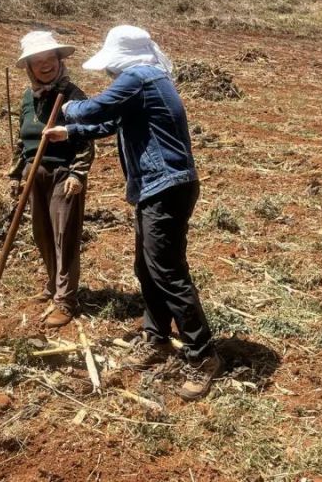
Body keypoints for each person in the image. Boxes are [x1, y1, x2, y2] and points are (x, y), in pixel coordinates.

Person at [42, 25, 222, 401]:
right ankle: (155, 337)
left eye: (111, 67)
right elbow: (108, 122)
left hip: (167, 187)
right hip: (157, 188)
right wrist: (70, 131)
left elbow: (94, 107)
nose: (109, 74)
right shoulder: (145, 82)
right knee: (147, 267)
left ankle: (203, 355)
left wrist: (68, 103)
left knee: (168, 272)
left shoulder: (141, 77)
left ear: (123, 58)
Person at [9, 30, 95, 328]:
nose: (45, 65)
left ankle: (66, 299)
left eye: (50, 59)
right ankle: (52, 283)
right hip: (35, 173)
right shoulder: (27, 98)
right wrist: (16, 173)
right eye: (37, 61)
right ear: (30, 67)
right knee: (42, 234)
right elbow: (22, 140)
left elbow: (86, 139)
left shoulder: (73, 96)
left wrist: (78, 172)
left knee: (64, 237)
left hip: (63, 173)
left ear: (59, 61)